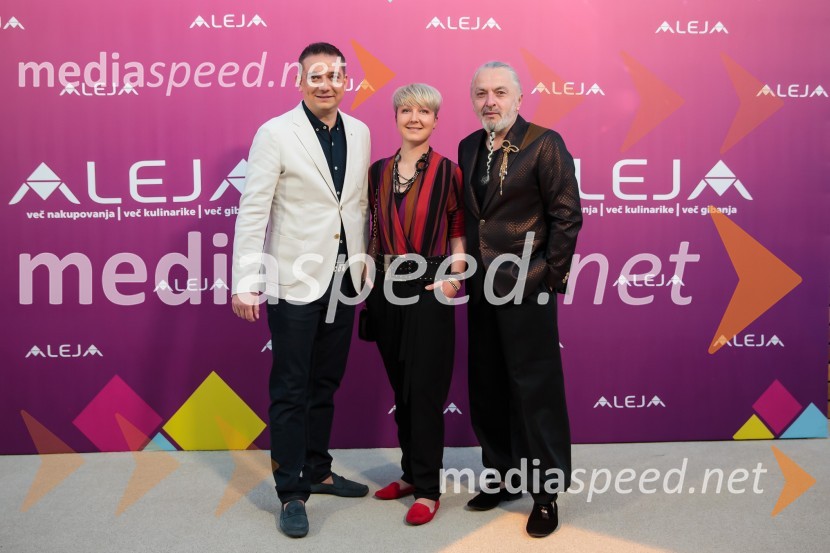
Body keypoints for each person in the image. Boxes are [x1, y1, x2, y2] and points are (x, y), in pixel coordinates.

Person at [231, 42, 371, 539]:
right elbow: (254, 210)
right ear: (300, 81)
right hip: (293, 279)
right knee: (291, 388)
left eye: (334, 75)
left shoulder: (360, 132)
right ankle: (291, 490)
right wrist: (246, 280)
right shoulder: (274, 133)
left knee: (325, 384)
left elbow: (355, 209)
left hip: (344, 278)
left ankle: (318, 469)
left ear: (345, 80)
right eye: (316, 76)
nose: (326, 84)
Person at [457, 61, 582, 538]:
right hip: (480, 287)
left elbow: (567, 216)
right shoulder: (469, 145)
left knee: (535, 390)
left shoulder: (545, 143)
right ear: (473, 100)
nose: (491, 101)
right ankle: (504, 476)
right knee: (487, 384)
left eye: (500, 92)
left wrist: (546, 277)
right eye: (482, 93)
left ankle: (546, 493)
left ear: (519, 97)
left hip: (527, 287)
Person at [366, 83, 466, 525]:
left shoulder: (450, 172)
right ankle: (409, 473)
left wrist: (452, 282)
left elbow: (460, 234)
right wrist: (367, 281)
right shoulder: (377, 171)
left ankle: (427, 489)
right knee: (401, 387)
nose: (414, 117)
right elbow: (371, 230)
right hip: (385, 289)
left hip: (429, 286)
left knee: (424, 391)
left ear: (435, 119)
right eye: (405, 109)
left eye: (423, 111)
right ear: (395, 117)